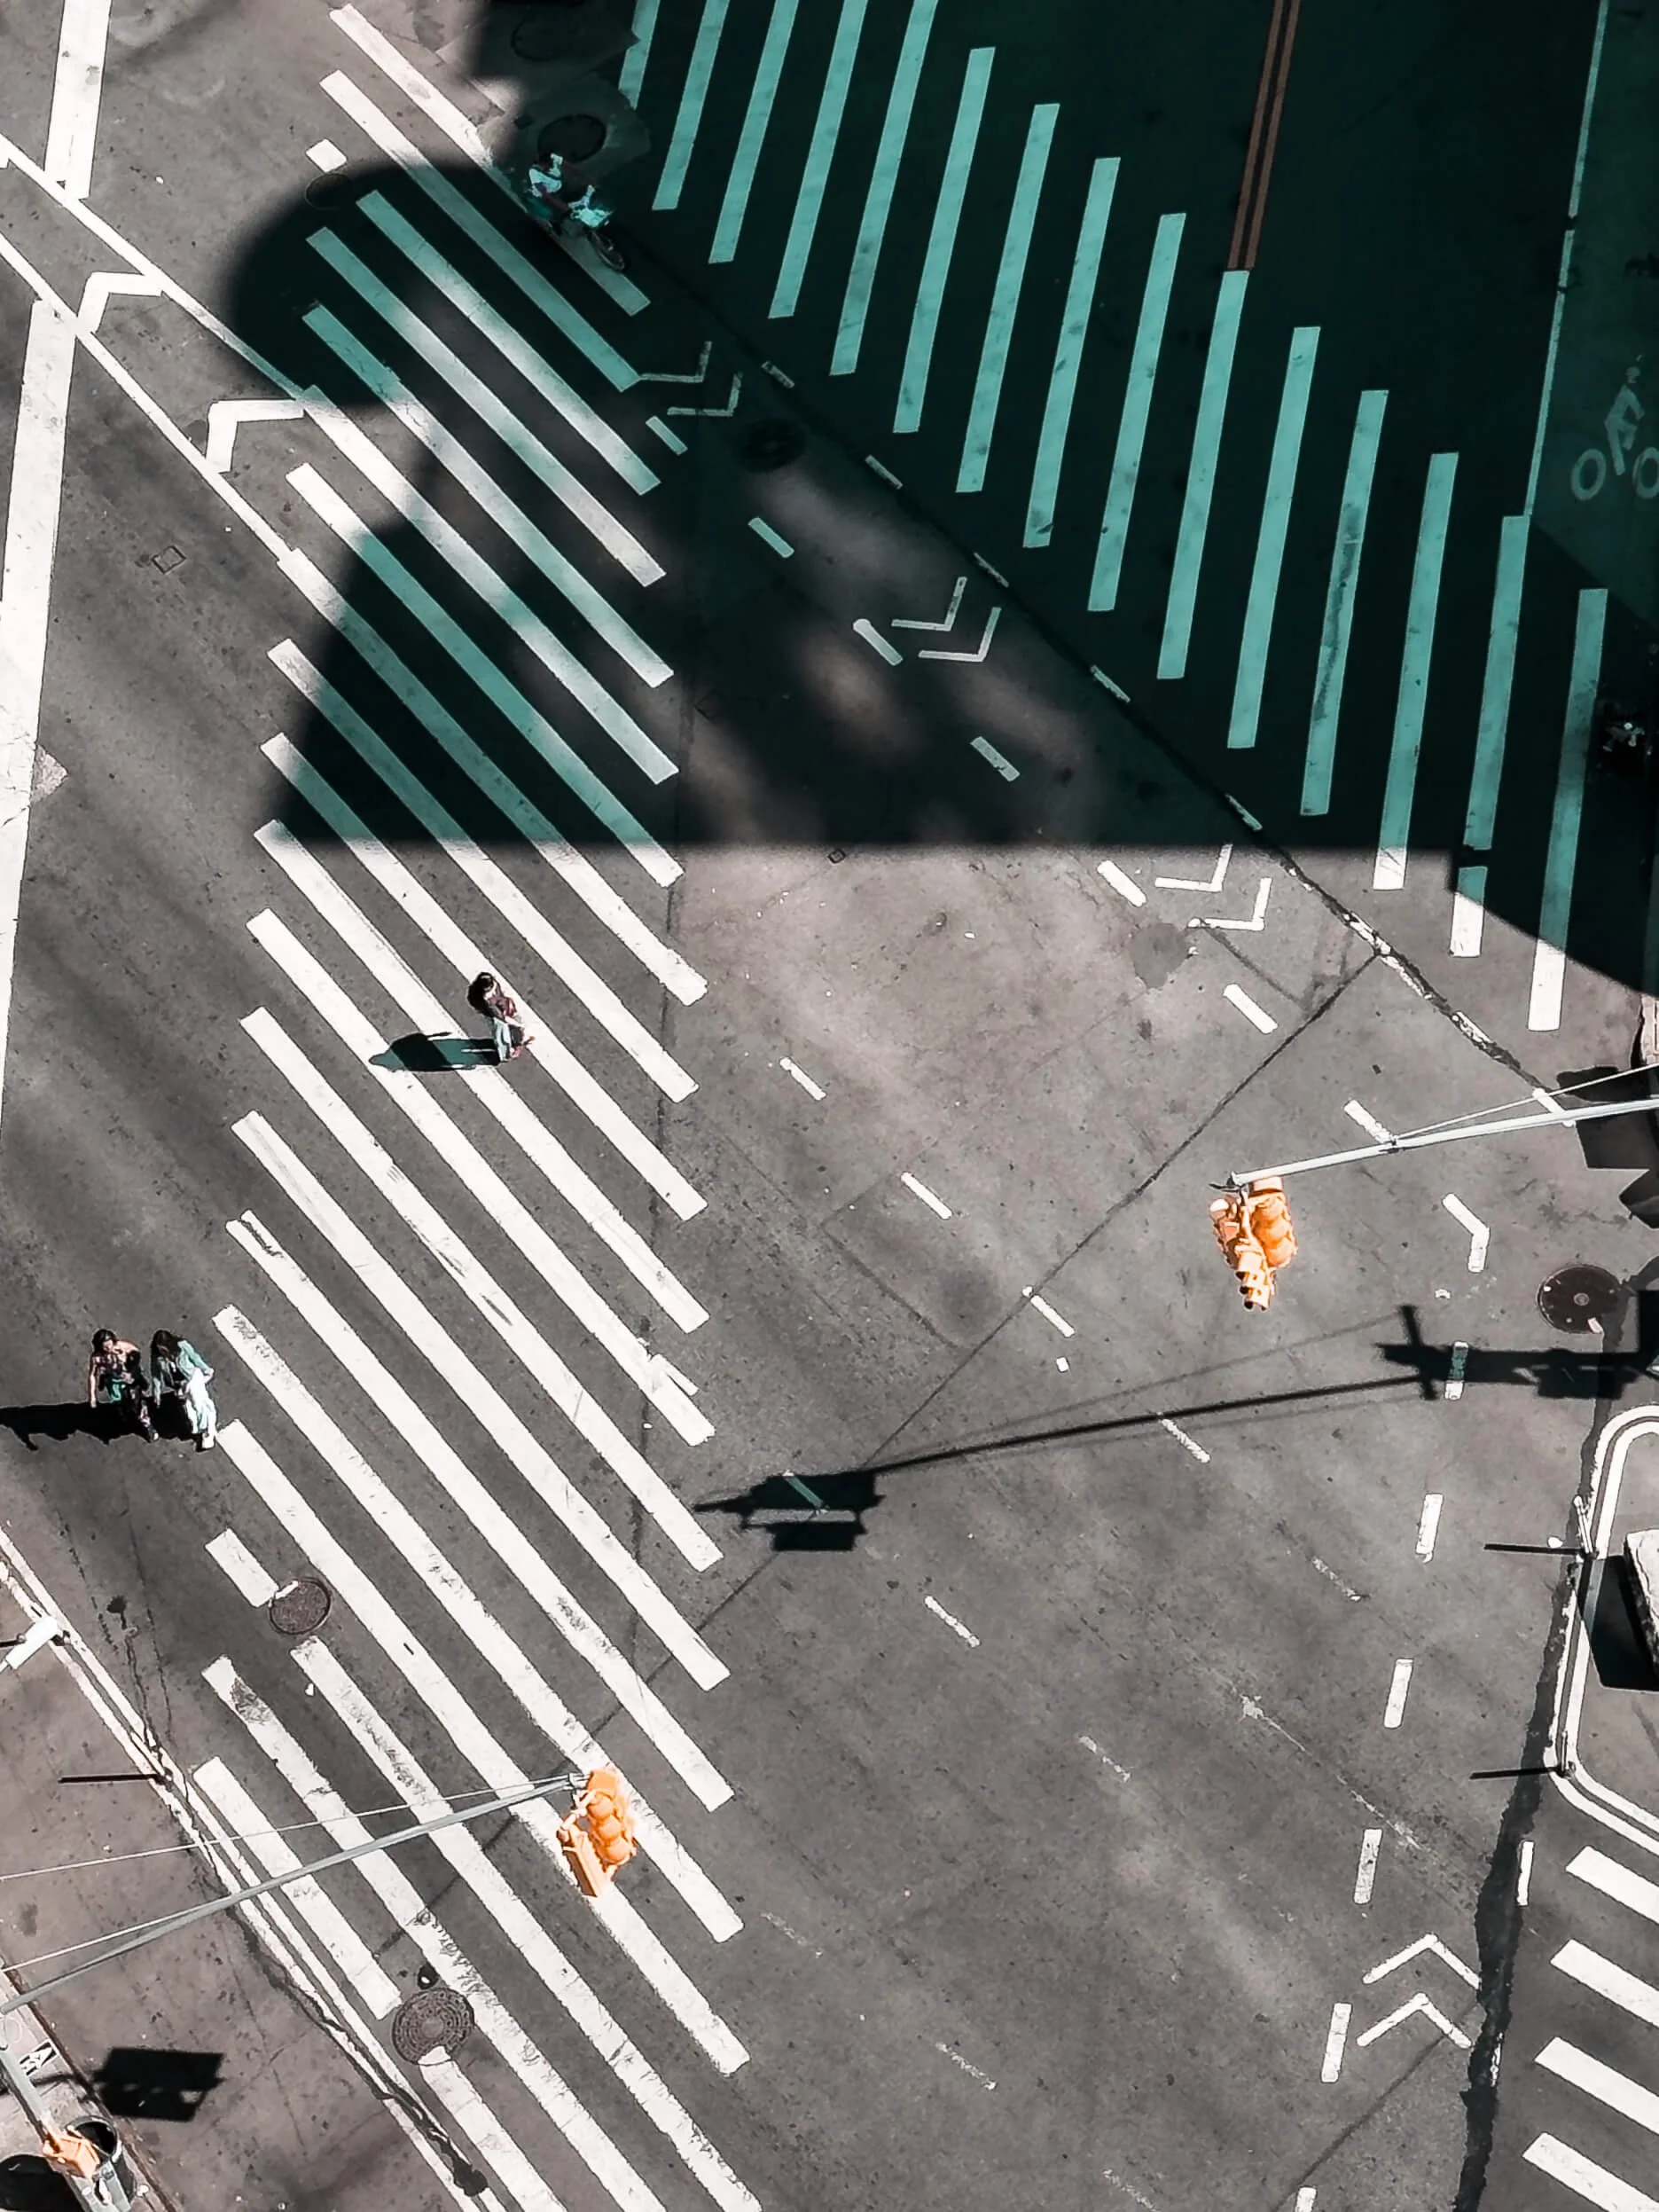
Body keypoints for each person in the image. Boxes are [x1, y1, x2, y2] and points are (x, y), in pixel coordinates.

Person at [150, 1330, 218, 1450]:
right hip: (178, 1386)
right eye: (160, 1349)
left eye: (164, 1349)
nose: (162, 1352)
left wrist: (205, 1369)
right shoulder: (157, 1357)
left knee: (199, 1404)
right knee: (189, 1408)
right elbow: (156, 1375)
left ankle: (207, 1433)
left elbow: (194, 1357)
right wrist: (157, 1393)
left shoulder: (182, 1346)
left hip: (192, 1378)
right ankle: (200, 1427)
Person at [87, 1330, 153, 1440]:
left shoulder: (122, 1347)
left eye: (109, 1345)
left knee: (137, 1403)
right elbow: (92, 1375)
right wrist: (92, 1396)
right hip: (113, 1382)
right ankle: (126, 1415)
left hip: (129, 1379)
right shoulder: (97, 1358)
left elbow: (136, 1353)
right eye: (105, 1347)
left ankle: (147, 1424)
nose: (108, 1349)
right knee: (120, 1403)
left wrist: (131, 1367)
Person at [467, 972, 533, 1064]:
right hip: (492, 1013)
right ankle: (506, 1053)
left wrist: (507, 1001)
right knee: (501, 1030)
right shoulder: (484, 999)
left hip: (500, 1004)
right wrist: (515, 1023)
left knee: (512, 1021)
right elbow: (498, 1015)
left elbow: (501, 993)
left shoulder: (492, 985)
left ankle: (518, 1039)